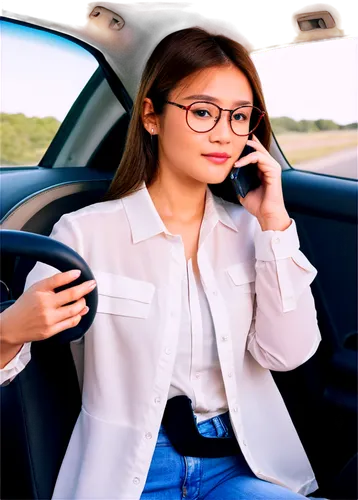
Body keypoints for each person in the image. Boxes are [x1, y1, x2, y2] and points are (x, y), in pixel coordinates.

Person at [0, 28, 327, 499]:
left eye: (239, 116)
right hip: (129, 474)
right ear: (151, 116)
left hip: (236, 464)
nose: (224, 134)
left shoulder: (254, 231)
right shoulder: (84, 233)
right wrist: (11, 328)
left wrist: (275, 225)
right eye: (202, 112)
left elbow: (288, 354)